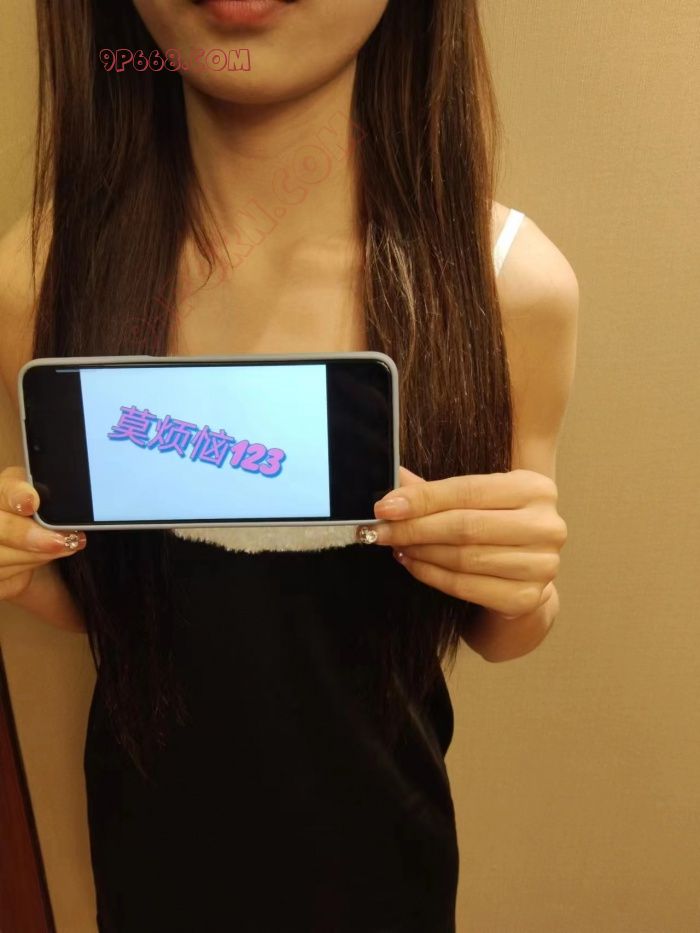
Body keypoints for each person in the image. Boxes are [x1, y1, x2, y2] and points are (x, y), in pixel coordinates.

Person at [0, 0, 578, 929]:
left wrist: (523, 584)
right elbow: (96, 599)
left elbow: (502, 627)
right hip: (152, 860)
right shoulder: (37, 277)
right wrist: (22, 562)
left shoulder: (509, 283)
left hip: (384, 861)